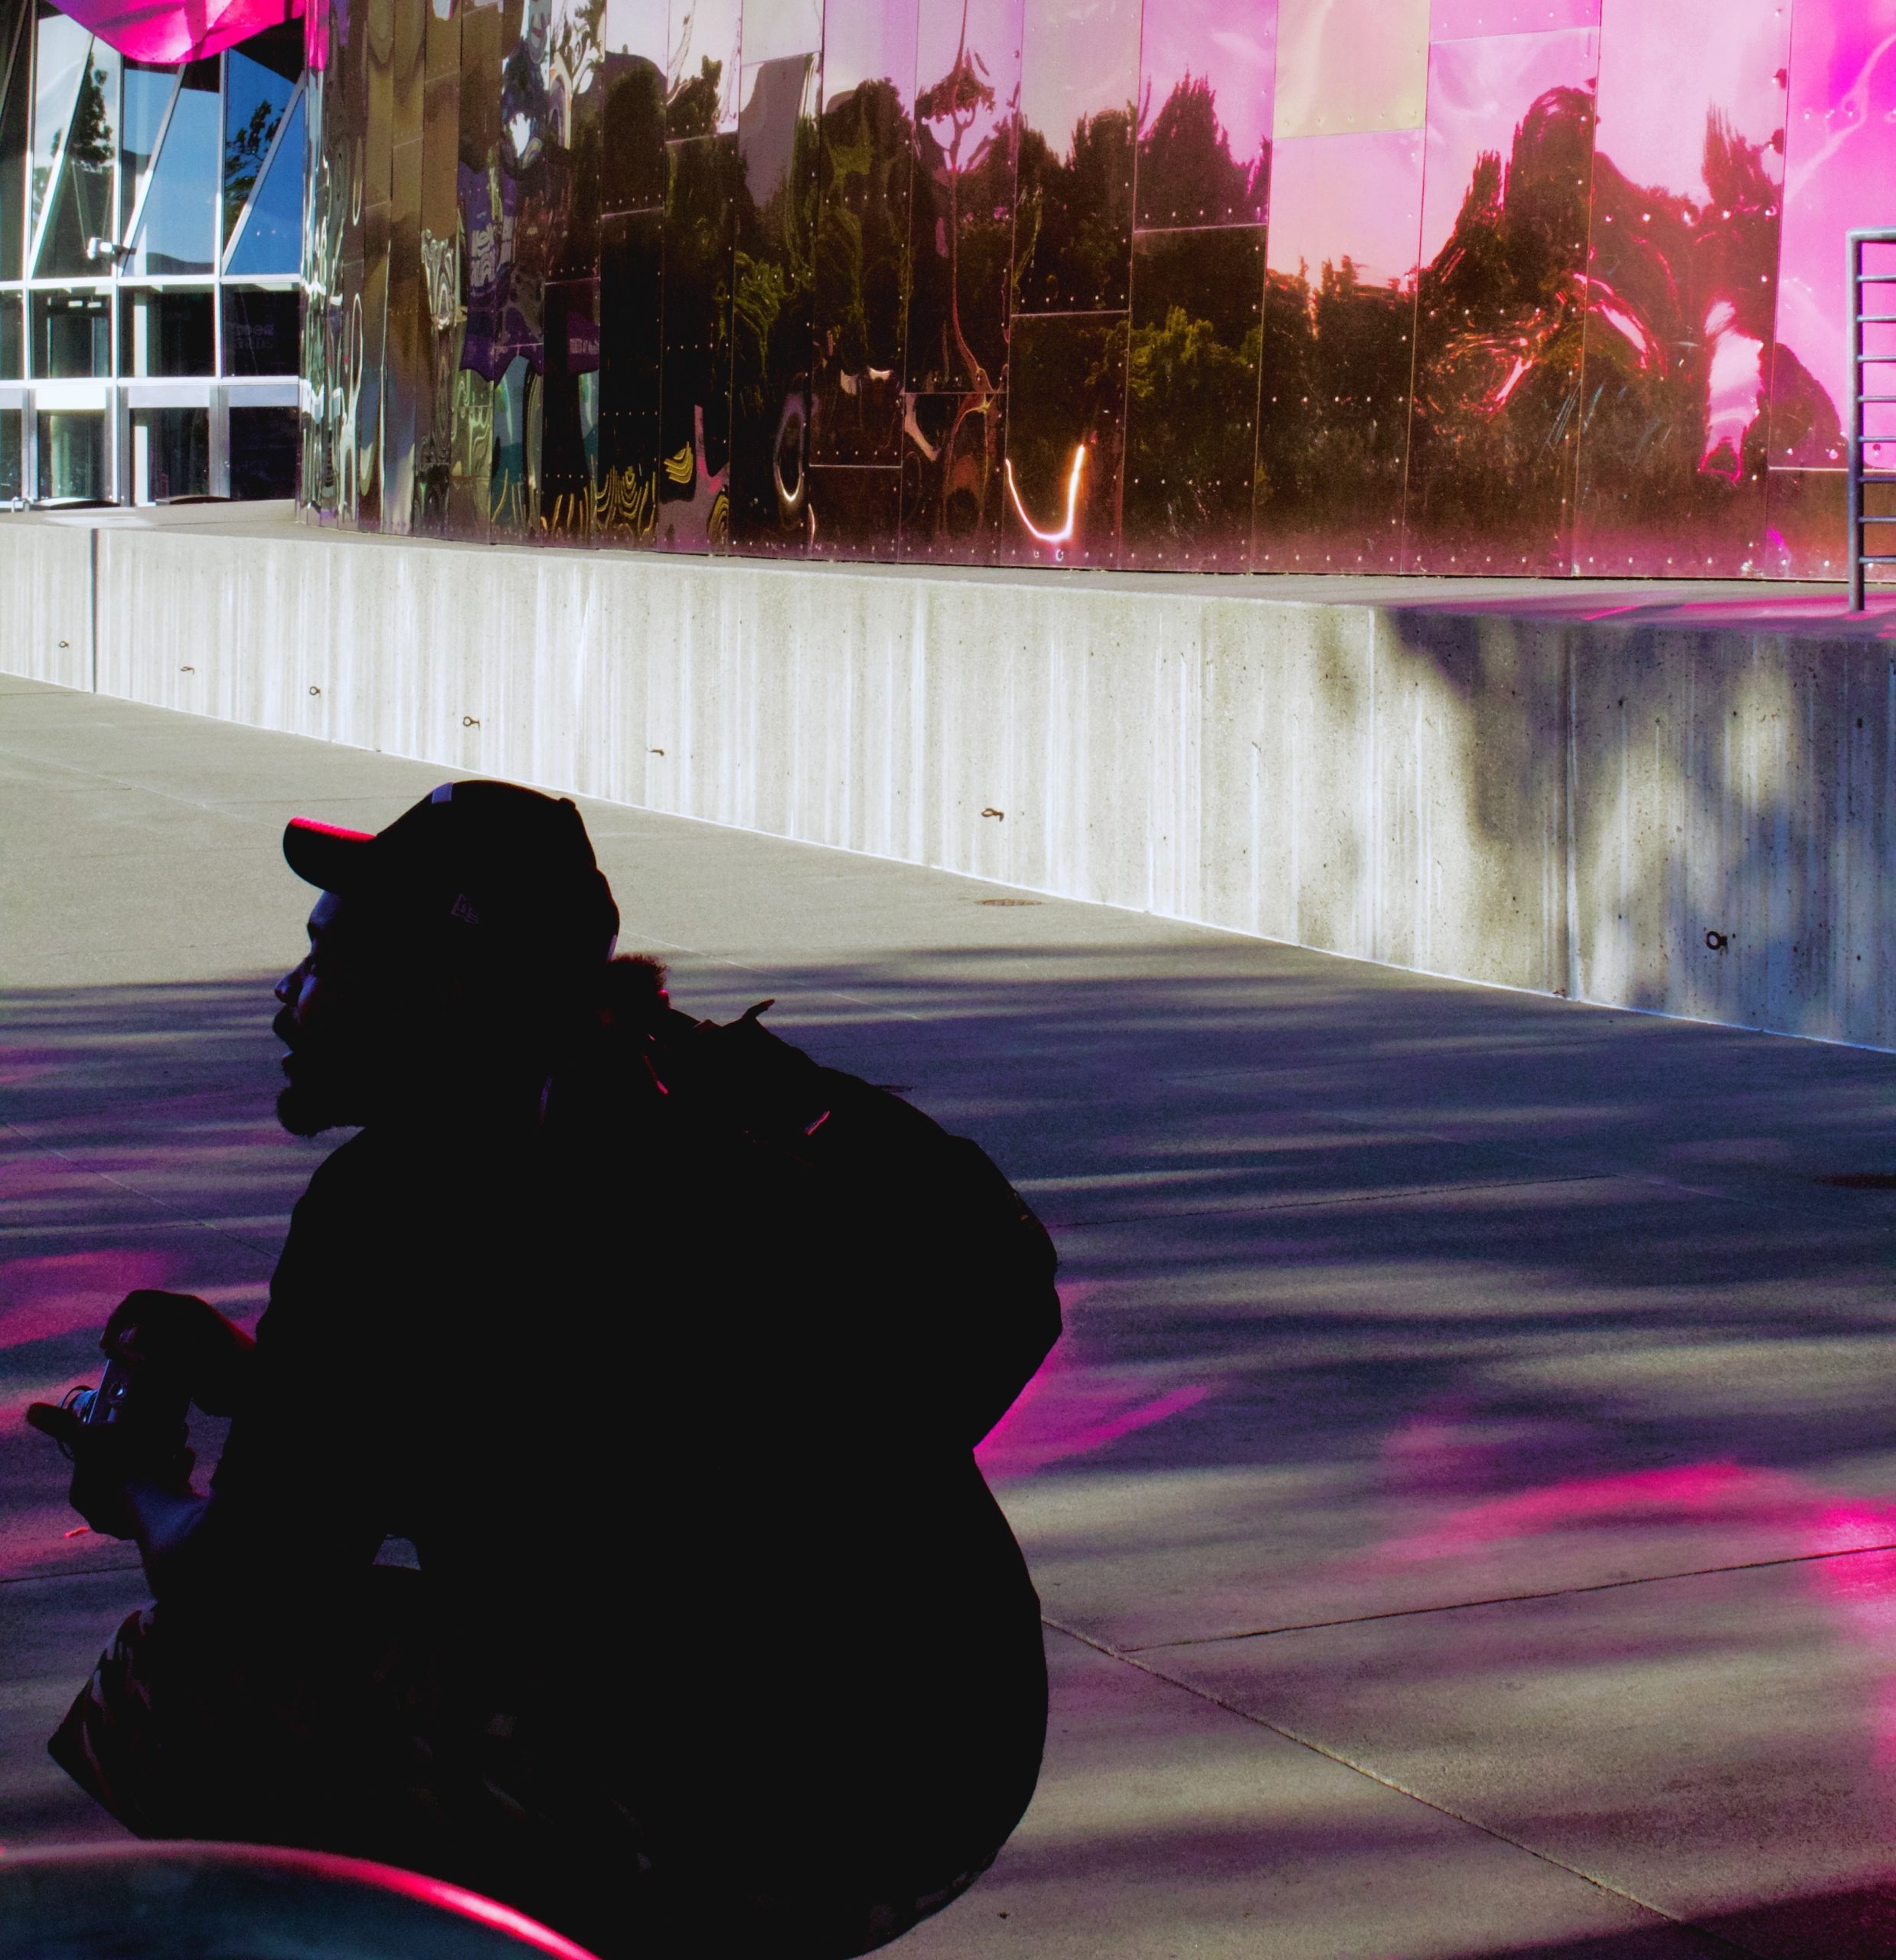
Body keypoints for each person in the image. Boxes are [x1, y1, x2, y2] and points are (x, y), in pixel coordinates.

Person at [28, 779, 1059, 1959]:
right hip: (950, 1766)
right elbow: (607, 1425)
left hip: (762, 1827)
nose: (286, 995)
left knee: (188, 1679)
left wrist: (141, 1485)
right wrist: (277, 1389)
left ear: (445, 989)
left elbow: (250, 1581)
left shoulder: (402, 1202)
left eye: (329, 960)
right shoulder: (702, 1089)